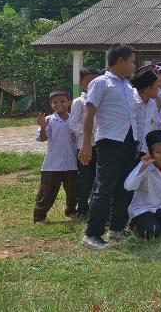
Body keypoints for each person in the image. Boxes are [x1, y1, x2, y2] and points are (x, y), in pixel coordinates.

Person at [79, 44, 140, 250]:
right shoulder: (100, 82)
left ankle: (116, 228)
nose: (134, 65)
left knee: (124, 186)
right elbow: (89, 114)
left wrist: (135, 141)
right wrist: (86, 144)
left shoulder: (128, 86)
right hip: (109, 141)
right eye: (132, 61)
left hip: (128, 141)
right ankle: (92, 234)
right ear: (120, 61)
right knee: (104, 187)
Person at [33, 90, 78, 224]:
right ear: (51, 104)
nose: (59, 105)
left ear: (69, 103)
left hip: (72, 163)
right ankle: (39, 217)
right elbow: (42, 138)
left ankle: (71, 211)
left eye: (63, 101)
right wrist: (42, 127)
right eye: (55, 102)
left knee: (73, 191)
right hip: (53, 164)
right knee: (47, 192)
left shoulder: (74, 119)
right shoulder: (49, 120)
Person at [68, 67, 101, 219]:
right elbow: (72, 124)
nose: (92, 84)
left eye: (95, 81)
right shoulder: (79, 102)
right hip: (85, 146)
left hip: (101, 145)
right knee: (85, 177)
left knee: (98, 177)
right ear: (81, 83)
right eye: (88, 81)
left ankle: (95, 206)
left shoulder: (102, 100)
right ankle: (82, 208)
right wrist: (90, 130)